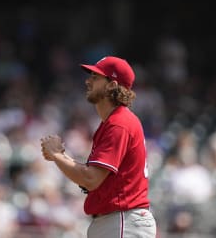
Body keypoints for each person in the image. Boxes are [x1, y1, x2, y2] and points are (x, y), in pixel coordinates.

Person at [41, 56, 157, 237]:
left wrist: (57, 155)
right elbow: (94, 180)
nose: (88, 81)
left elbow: (91, 179)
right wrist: (62, 156)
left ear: (112, 85)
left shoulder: (119, 123)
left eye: (96, 77)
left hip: (122, 221)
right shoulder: (113, 122)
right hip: (118, 220)